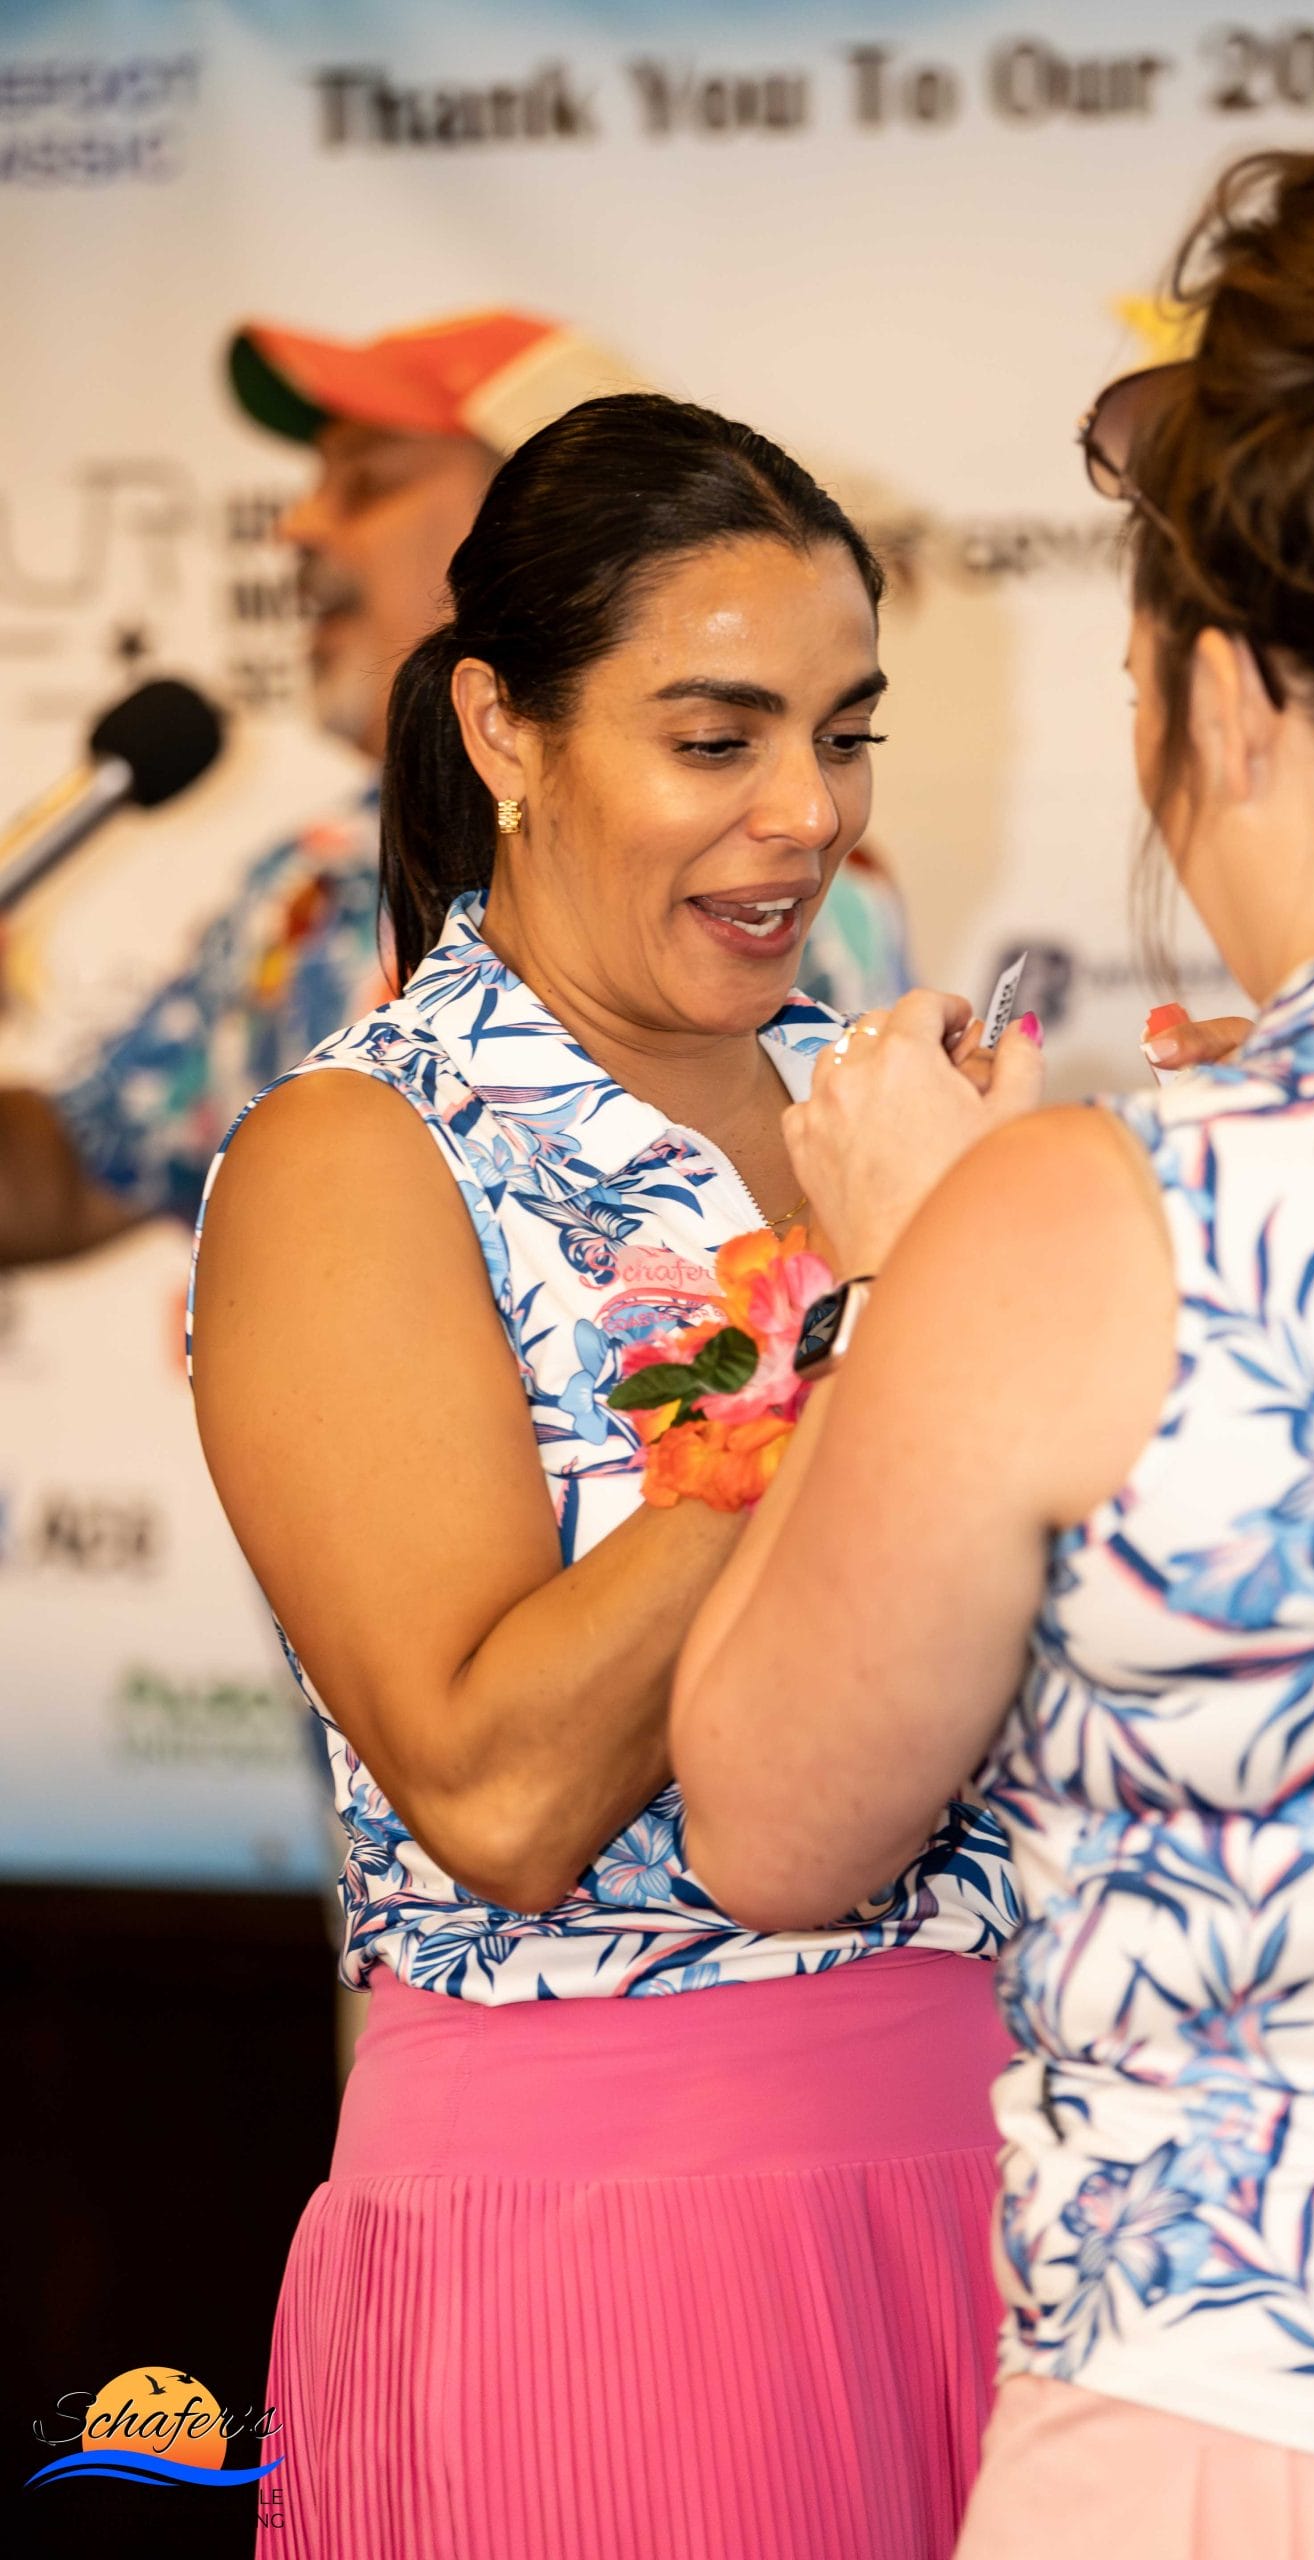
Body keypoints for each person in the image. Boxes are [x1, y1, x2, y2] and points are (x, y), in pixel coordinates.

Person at [672, 145, 1314, 2557]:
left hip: (1222, 2443)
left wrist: (888, 1284)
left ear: (1224, 700)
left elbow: (770, 1821)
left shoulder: (1082, 1222)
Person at [189, 392, 1035, 2560]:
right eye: (716, 737)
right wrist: (850, 1321)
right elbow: (493, 1792)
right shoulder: (357, 1152)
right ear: (505, 729)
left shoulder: (886, 1113)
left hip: (1038, 2213)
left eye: (842, 735)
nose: (805, 815)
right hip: (627, 2243)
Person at [0, 311, 912, 1267]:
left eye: (366, 484)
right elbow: (81, 1168)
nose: (297, 526)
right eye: (716, 743)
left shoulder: (776, 895)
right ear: (492, 723)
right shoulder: (311, 888)